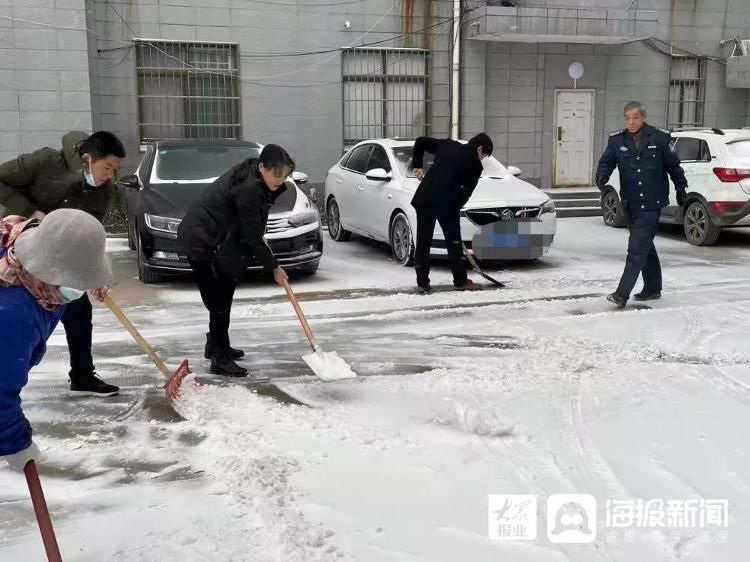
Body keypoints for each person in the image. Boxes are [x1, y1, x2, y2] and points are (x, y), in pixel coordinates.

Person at [0, 131, 126, 396]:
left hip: (61, 261)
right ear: (88, 159)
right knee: (17, 317)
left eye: (115, 170)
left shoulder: (103, 193)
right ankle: (7, 383)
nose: (110, 175)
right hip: (20, 249)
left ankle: (82, 375)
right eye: (108, 167)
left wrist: (95, 274)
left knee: (79, 312)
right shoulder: (47, 161)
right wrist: (31, 212)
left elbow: (90, 236)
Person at [0, 209, 113, 471]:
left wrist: (93, 277)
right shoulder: (12, 313)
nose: (77, 289)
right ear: (49, 271)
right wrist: (17, 443)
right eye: (74, 280)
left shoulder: (34, 275)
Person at [177, 144, 293, 377]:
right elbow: (250, 234)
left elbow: (250, 227)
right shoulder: (249, 187)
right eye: (276, 174)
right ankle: (219, 359)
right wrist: (274, 267)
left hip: (217, 239)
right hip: (201, 241)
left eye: (285, 175)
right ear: (262, 167)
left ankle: (215, 345)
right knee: (218, 300)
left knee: (223, 292)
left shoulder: (254, 176)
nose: (280, 180)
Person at [595, 101, 688, 308]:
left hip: (652, 202)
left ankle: (622, 293)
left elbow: (674, 166)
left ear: (643, 118)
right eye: (627, 118)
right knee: (645, 245)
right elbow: (606, 162)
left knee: (636, 248)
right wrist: (602, 176)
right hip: (629, 202)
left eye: (635, 117)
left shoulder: (661, 138)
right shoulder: (616, 141)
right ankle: (653, 288)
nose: (631, 121)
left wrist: (681, 189)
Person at [410, 133, 494, 294]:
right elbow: (465, 193)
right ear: (480, 149)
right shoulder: (476, 166)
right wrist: (453, 209)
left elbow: (420, 141)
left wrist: (418, 166)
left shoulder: (448, 145)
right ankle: (460, 280)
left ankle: (422, 283)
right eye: (484, 155)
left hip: (425, 198)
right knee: (454, 243)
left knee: (423, 241)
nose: (482, 159)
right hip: (447, 204)